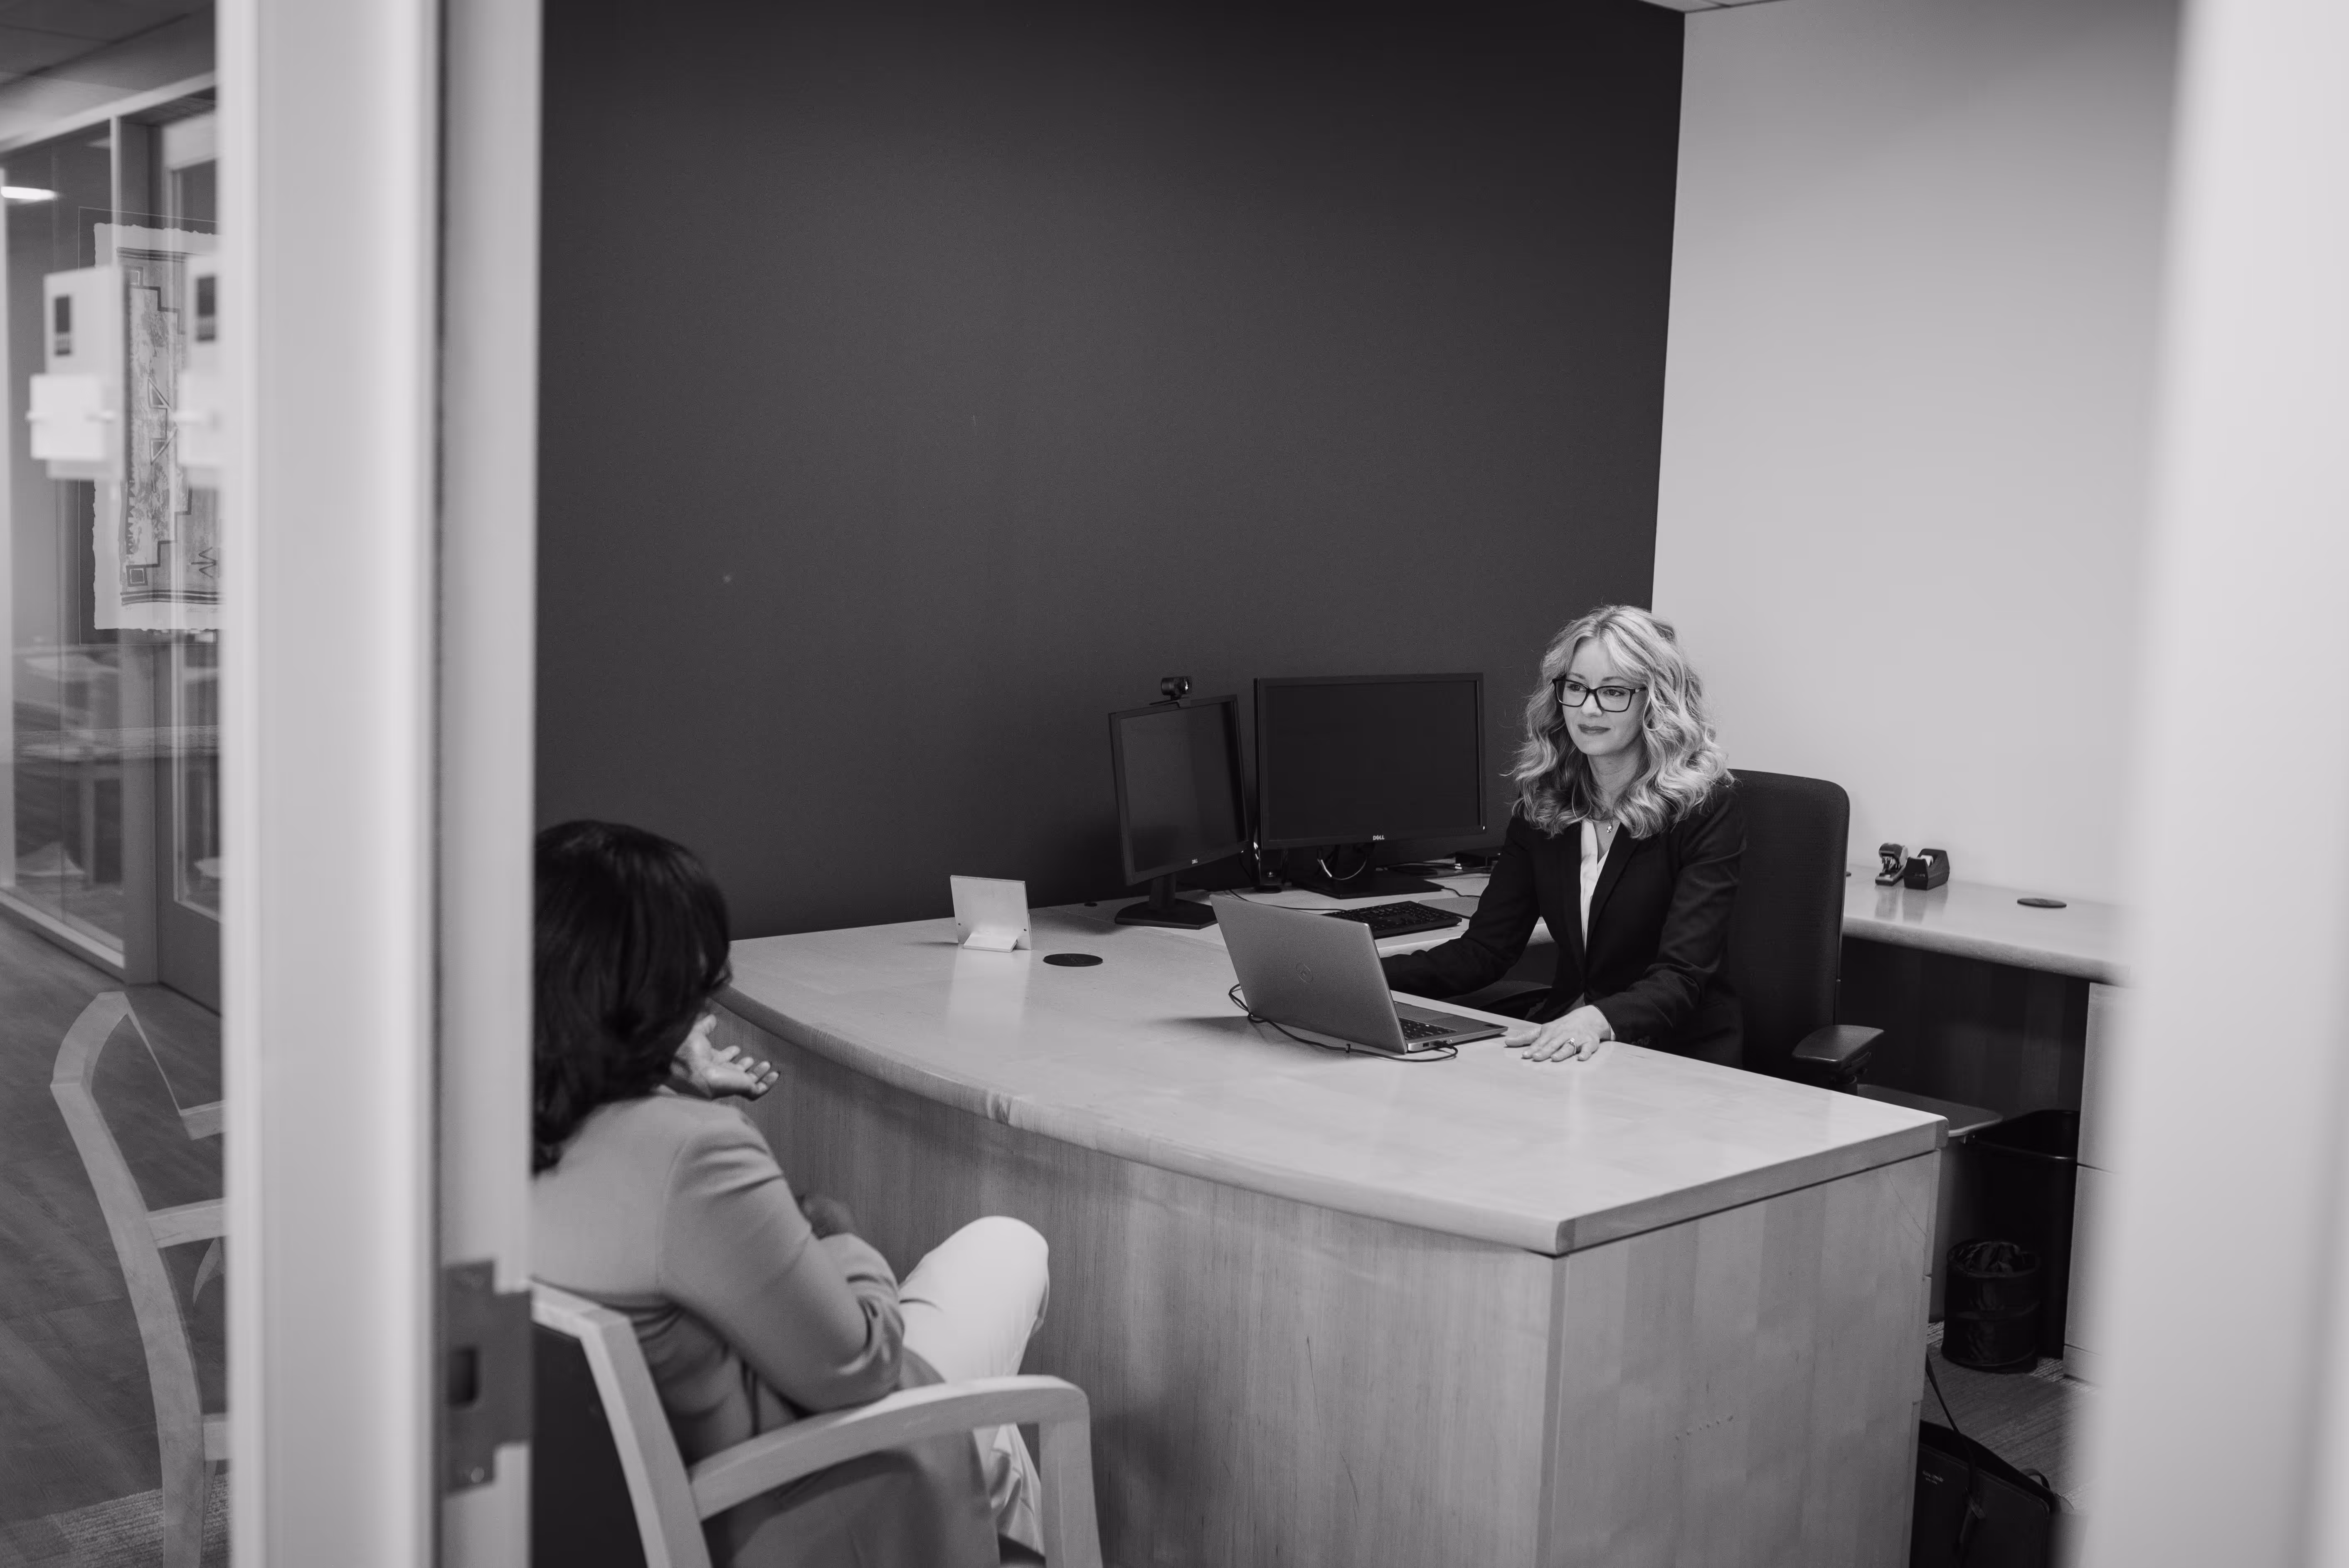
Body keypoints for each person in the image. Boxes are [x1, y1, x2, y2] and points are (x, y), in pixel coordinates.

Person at [530, 820, 1051, 1568]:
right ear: (652, 998)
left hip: (634, 1506)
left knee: (993, 1438)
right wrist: (829, 1226)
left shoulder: (486, 1136)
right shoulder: (690, 1153)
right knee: (1011, 1249)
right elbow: (863, 1364)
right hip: (783, 1495)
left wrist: (658, 1082)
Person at [1381, 604, 1745, 1065]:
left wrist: (1596, 1019)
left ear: (1655, 701)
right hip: (1569, 1039)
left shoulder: (1701, 807)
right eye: (1575, 687)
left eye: (1612, 692)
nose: (1588, 708)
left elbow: (1682, 976)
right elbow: (1484, 951)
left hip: (1675, 1052)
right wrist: (1359, 976)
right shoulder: (1547, 801)